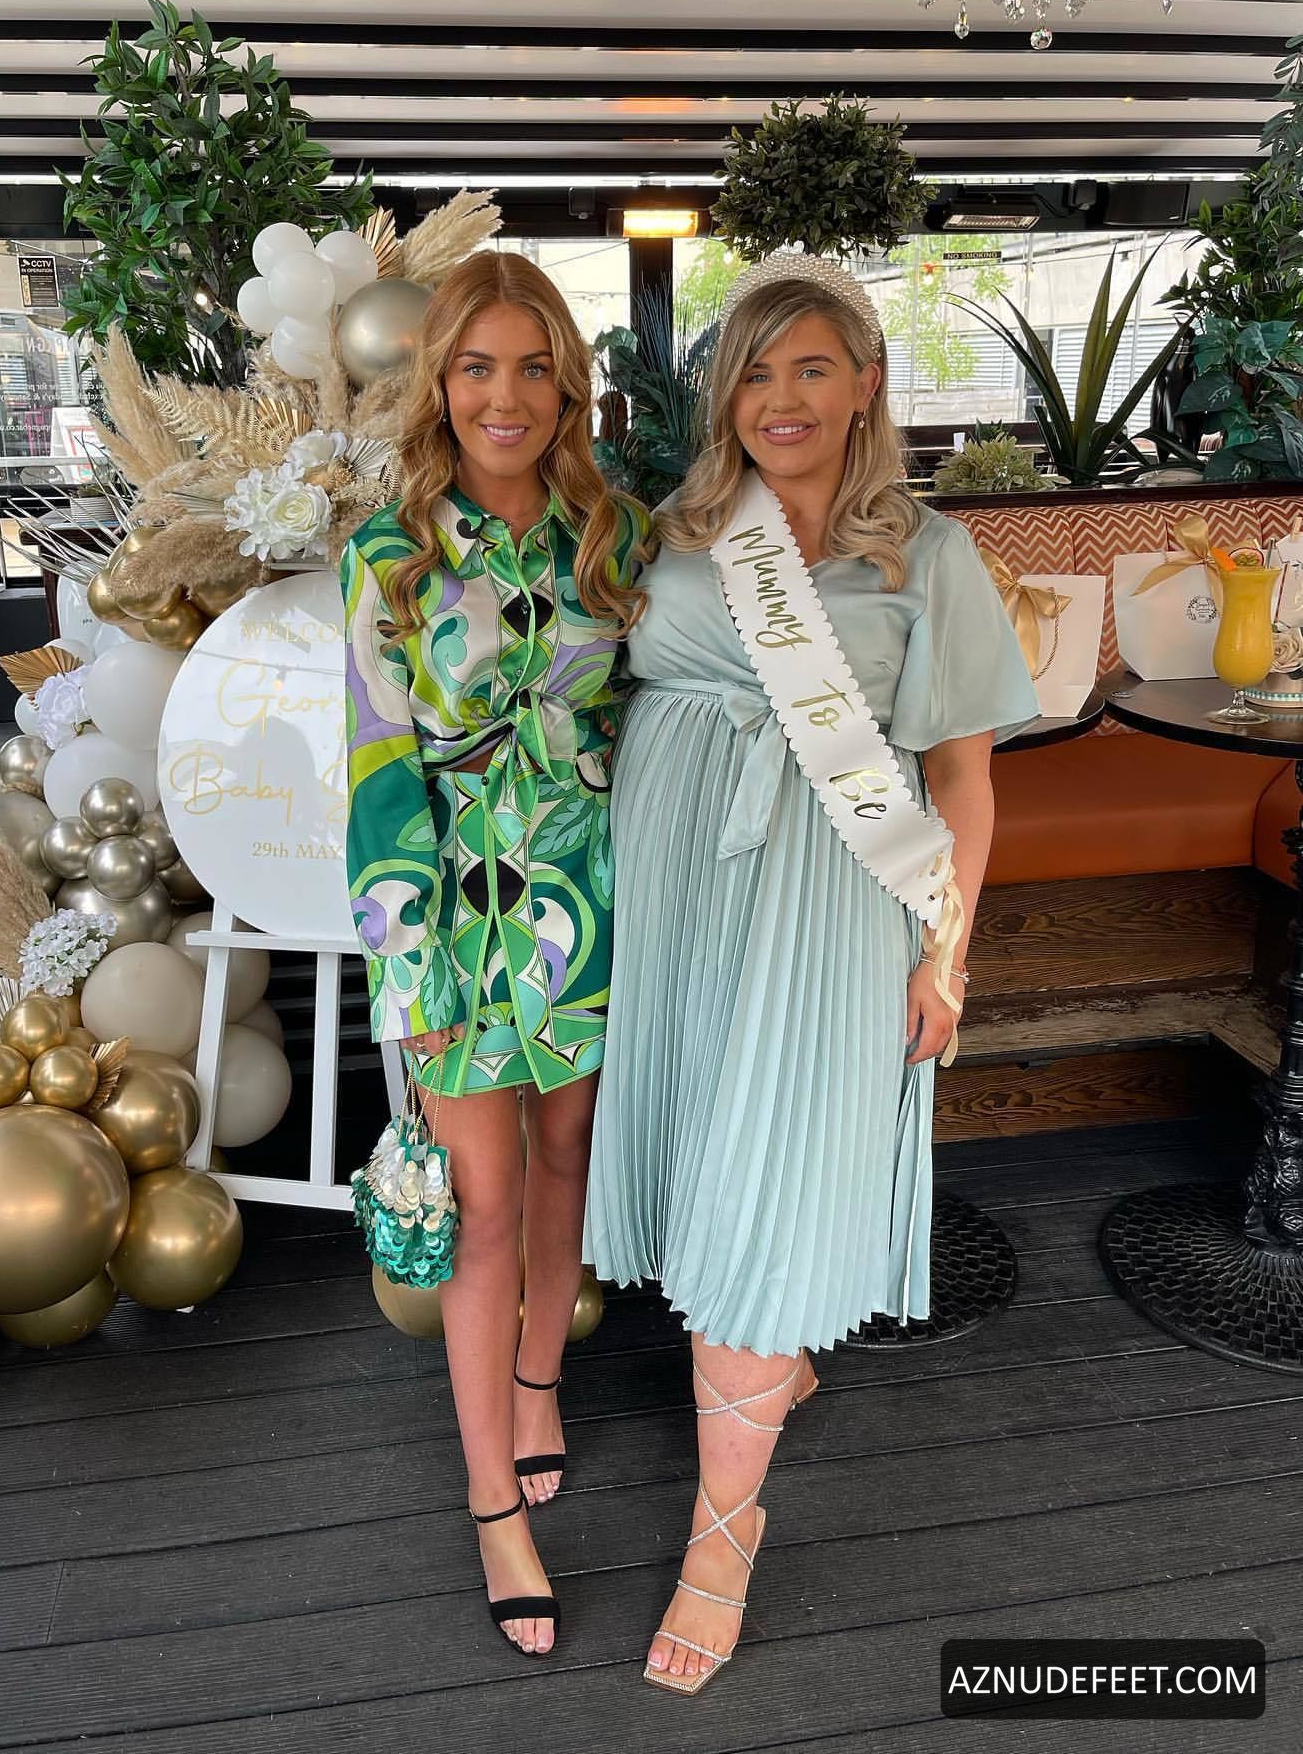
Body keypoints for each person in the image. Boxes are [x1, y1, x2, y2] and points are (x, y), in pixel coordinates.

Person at [584, 252, 1038, 1695]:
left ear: (866, 386)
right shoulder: (674, 530)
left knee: (773, 1164)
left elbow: (961, 779)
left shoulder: (928, 554)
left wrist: (946, 956)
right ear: (726, 395)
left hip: (833, 899)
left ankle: (724, 1533)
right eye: (756, 373)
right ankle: (764, 1348)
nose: (781, 399)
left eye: (813, 369)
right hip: (674, 896)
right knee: (706, 1147)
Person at [342, 250, 648, 1659]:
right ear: (440, 383)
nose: (505, 396)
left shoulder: (614, 537)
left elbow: (650, 725)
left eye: (533, 367)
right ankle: (491, 1504)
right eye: (477, 367)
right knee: (482, 1212)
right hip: (455, 915)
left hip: (589, 902)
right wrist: (406, 970)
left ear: (567, 385)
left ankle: (539, 1384)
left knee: (569, 1157)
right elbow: (376, 769)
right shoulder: (388, 554)